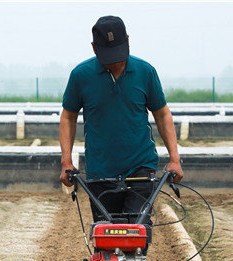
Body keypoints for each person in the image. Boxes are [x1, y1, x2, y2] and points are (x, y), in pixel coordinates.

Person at [58, 15, 183, 232]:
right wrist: (66, 161)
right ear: (94, 48)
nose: (115, 61)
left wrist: (175, 159)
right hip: (100, 170)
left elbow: (162, 114)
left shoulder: (145, 72)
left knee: (137, 230)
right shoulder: (81, 75)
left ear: (127, 40)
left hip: (140, 166)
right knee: (106, 233)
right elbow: (68, 117)